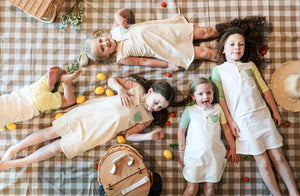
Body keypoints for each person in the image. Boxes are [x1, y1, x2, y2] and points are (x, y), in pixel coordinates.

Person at [0, 75, 175, 171]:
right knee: (50, 132)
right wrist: (120, 90)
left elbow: (129, 135)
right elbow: (112, 80)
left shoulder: (147, 118)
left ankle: (14, 163)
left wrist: (148, 136)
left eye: (161, 107)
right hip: (89, 114)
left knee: (57, 147)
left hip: (97, 132)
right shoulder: (136, 88)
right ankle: (14, 149)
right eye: (157, 101)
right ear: (150, 91)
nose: (156, 107)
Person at [212, 26, 299, 196]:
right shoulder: (219, 71)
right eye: (232, 44)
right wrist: (231, 121)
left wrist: (274, 111)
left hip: (263, 117)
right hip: (243, 122)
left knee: (279, 157)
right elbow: (221, 99)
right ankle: (277, 194)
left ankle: (294, 192)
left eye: (241, 44)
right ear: (223, 49)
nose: (236, 48)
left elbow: (264, 89)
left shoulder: (250, 66)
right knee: (263, 162)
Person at [81, 8, 219, 71]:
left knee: (207, 31)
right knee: (206, 53)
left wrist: (118, 15)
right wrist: (167, 65)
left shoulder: (115, 29)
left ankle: (235, 29)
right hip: (169, 49)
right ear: (105, 56)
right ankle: (234, 57)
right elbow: (144, 61)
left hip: (170, 31)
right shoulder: (121, 58)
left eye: (100, 41)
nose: (105, 43)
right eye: (102, 48)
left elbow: (127, 12)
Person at [178, 77, 239, 196]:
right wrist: (182, 153)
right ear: (193, 96)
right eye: (200, 94)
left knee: (210, 190)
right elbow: (181, 131)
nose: (205, 97)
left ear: (213, 94)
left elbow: (225, 128)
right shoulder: (189, 111)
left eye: (208, 93)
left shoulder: (217, 109)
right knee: (191, 189)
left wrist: (233, 147)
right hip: (194, 157)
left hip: (214, 157)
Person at [0, 66, 81, 127]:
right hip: (29, 91)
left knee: (69, 101)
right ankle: (50, 79)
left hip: (36, 104)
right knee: (58, 70)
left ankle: (67, 82)